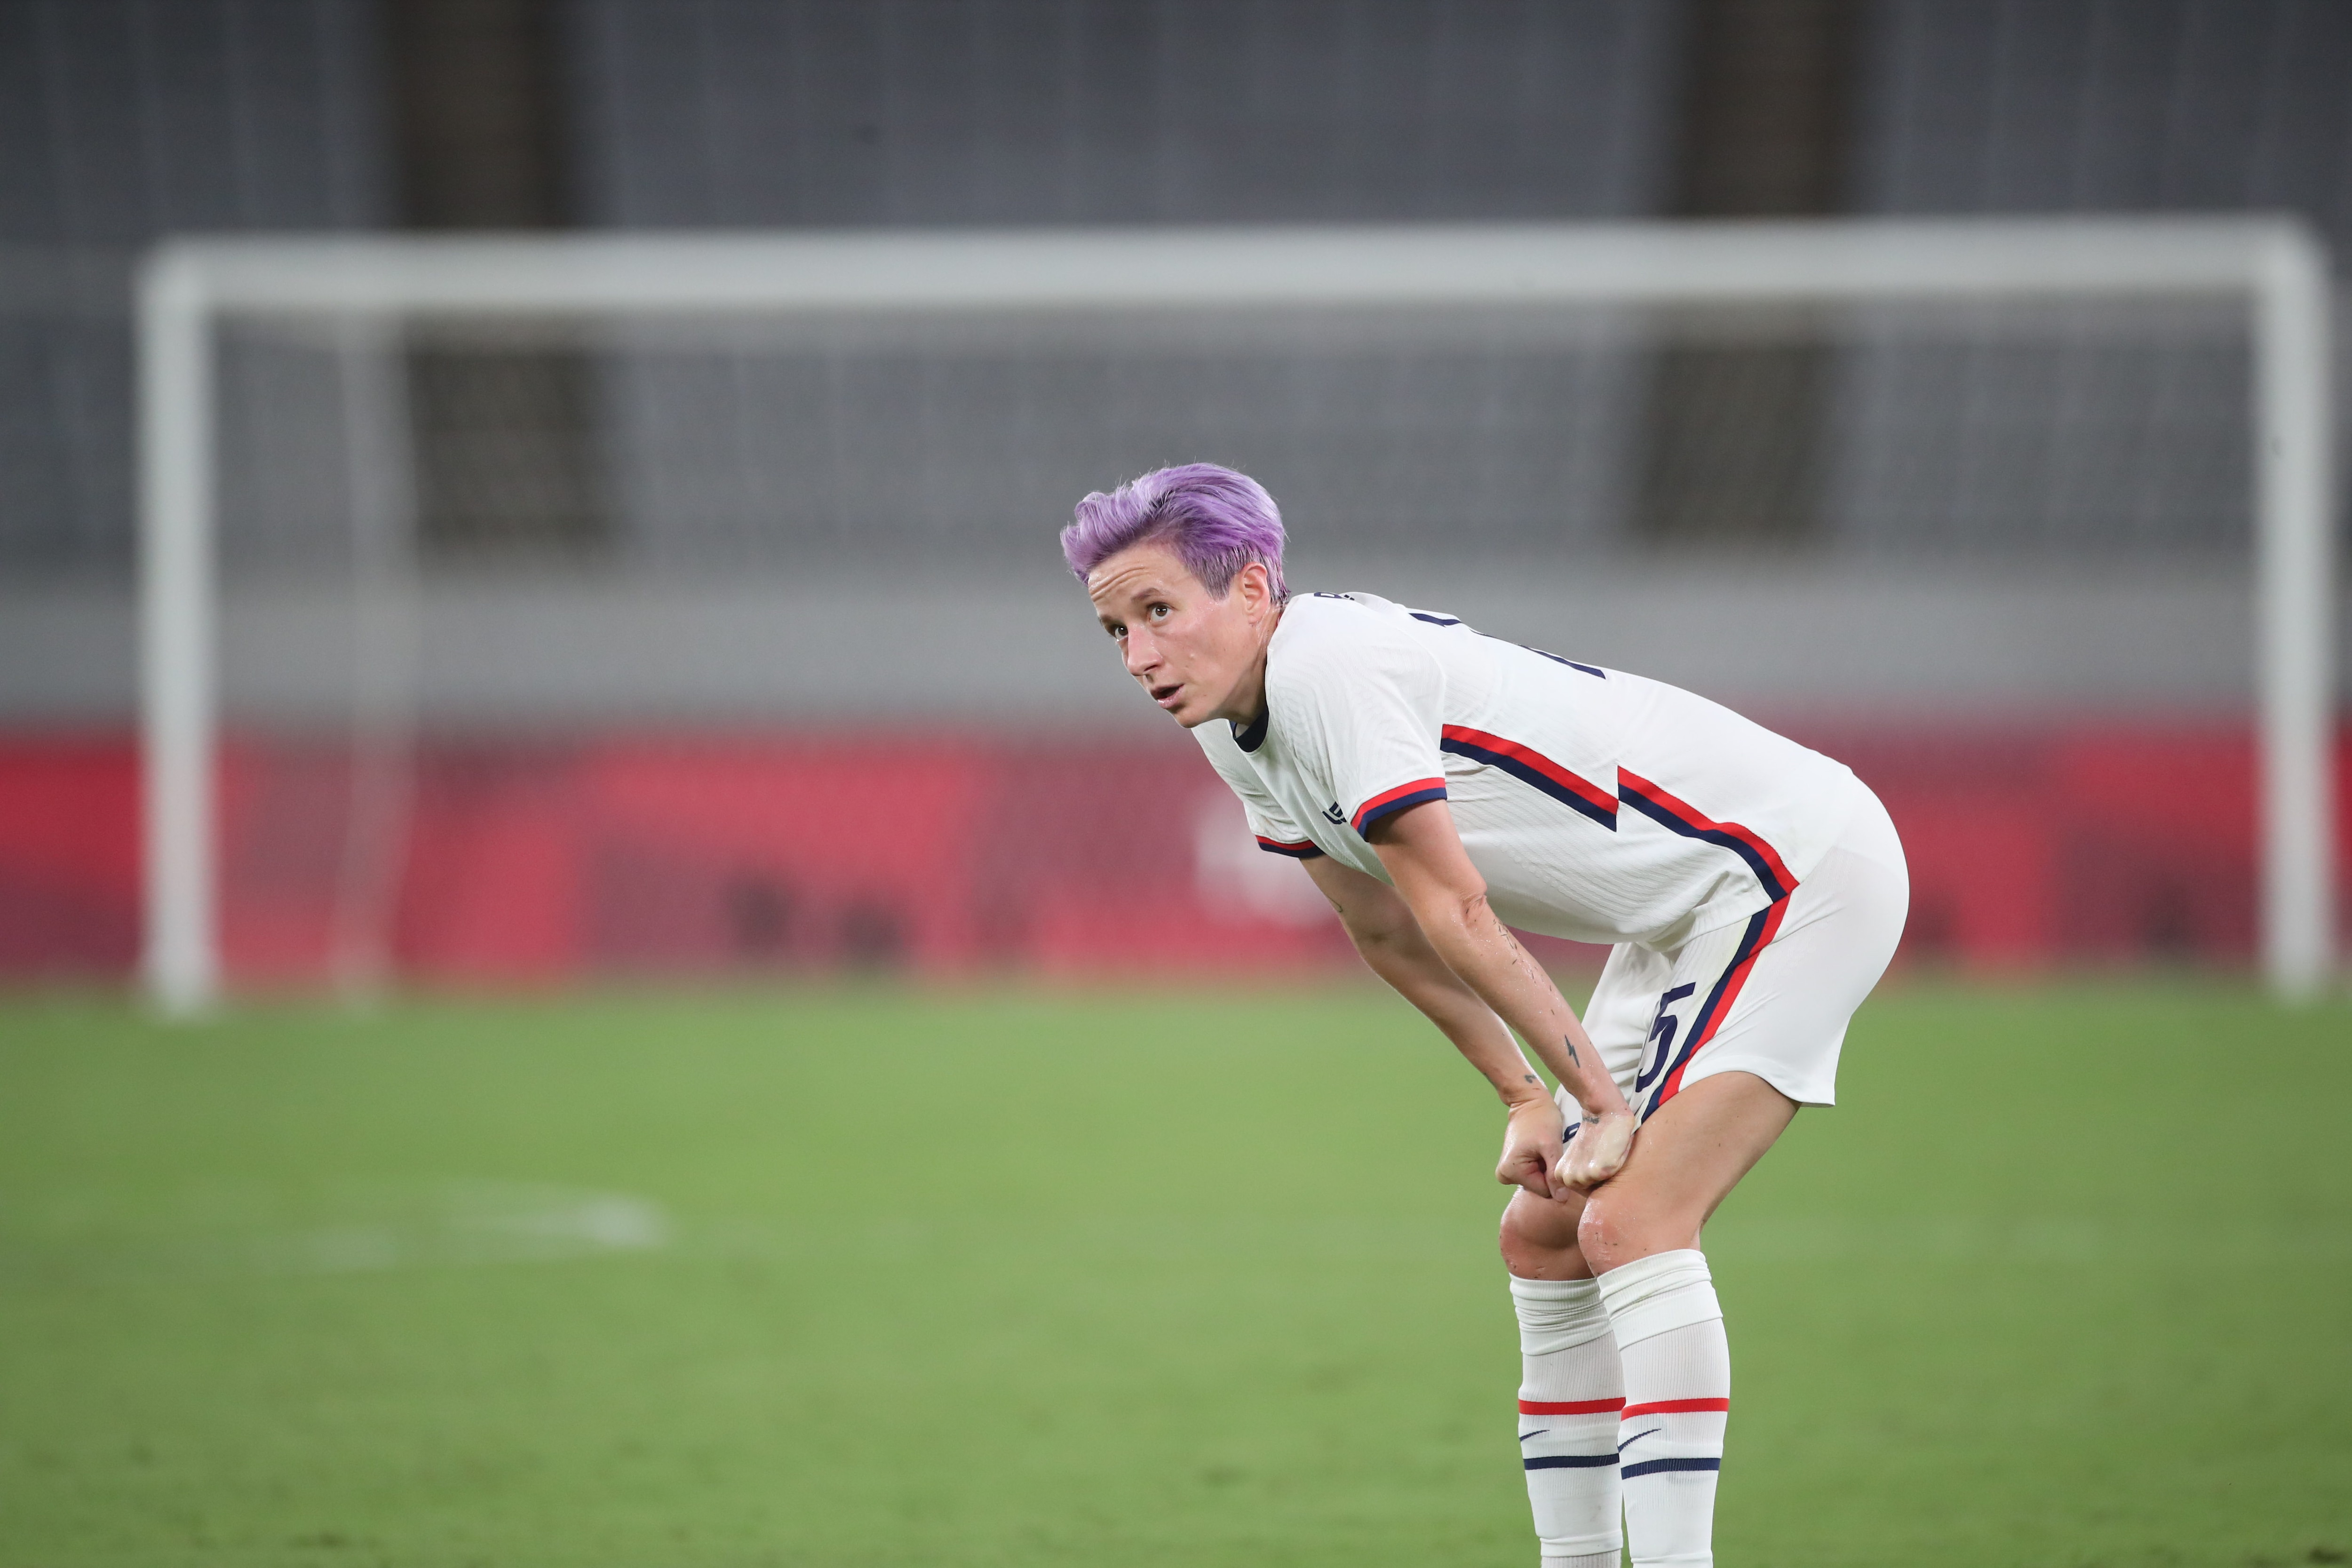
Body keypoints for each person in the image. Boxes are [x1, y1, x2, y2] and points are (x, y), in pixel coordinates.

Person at [1061, 463, 1908, 1568]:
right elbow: (1387, 930)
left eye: (1159, 611)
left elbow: (1453, 904)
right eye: (1115, 628)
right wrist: (1524, 1096)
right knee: (1546, 1235)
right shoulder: (1231, 720)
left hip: (1792, 869)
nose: (1139, 657)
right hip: (1680, 914)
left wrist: (1596, 1107)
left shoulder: (1331, 671)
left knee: (1630, 1219)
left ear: (1255, 588)